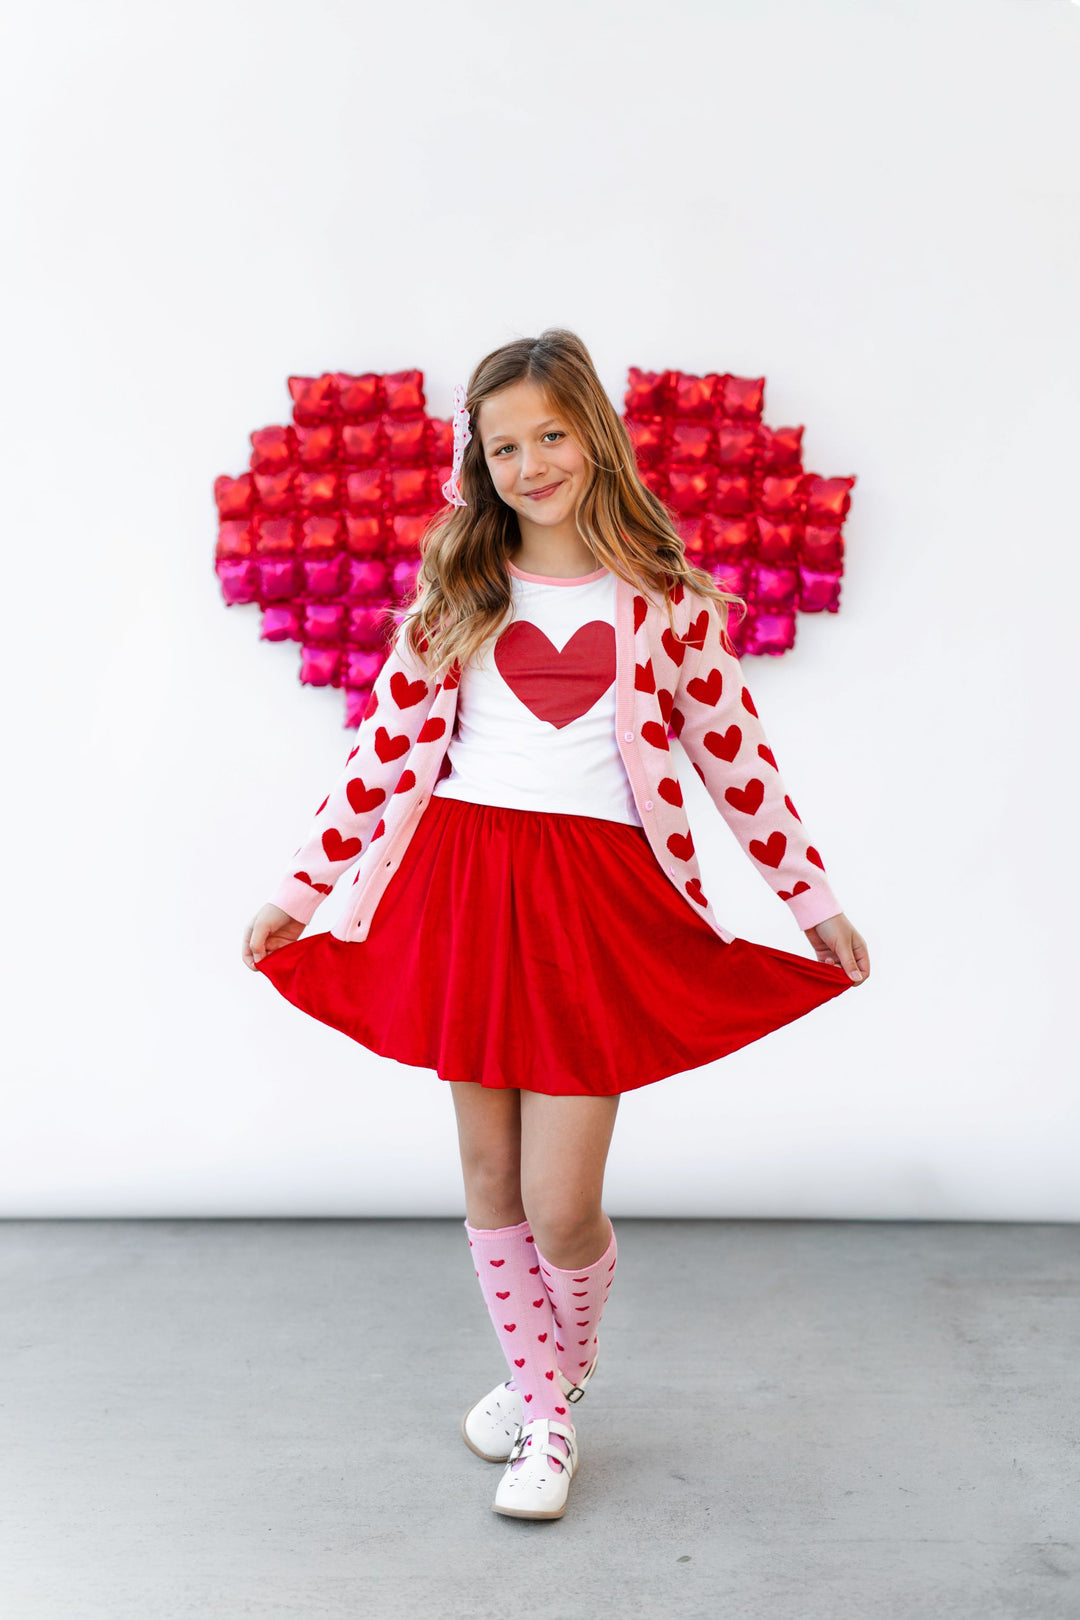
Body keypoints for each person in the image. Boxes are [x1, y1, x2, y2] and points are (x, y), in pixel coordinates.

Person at [241, 327, 870, 1522]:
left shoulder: (664, 604)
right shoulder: (457, 594)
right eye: (504, 447)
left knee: (562, 1202)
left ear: (595, 438)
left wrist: (815, 904)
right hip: (462, 886)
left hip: (596, 903)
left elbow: (739, 764)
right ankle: (547, 1417)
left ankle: (555, 1374)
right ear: (478, 465)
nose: (531, 465)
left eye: (551, 436)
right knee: (490, 1176)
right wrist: (296, 895)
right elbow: (378, 757)